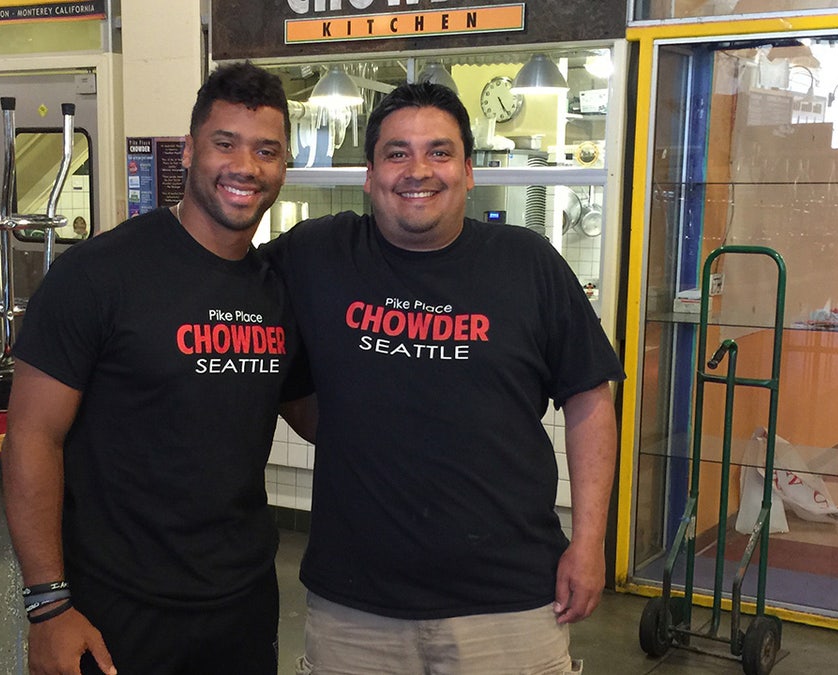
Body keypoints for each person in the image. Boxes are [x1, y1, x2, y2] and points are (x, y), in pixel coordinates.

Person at [266, 82, 625, 673]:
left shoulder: (528, 264)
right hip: (356, 609)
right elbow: (226, 288)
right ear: (370, 173)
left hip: (507, 605)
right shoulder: (319, 253)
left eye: (439, 151)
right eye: (397, 153)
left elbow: (590, 400)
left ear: (467, 171)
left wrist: (589, 542)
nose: (418, 170)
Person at [1, 62, 305, 675]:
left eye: (266, 150)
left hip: (242, 606)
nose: (245, 166)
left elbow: (316, 410)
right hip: (115, 610)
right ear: (190, 151)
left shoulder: (277, 290)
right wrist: (47, 605)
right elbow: (32, 437)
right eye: (225, 144)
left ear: (282, 165)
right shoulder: (99, 274)